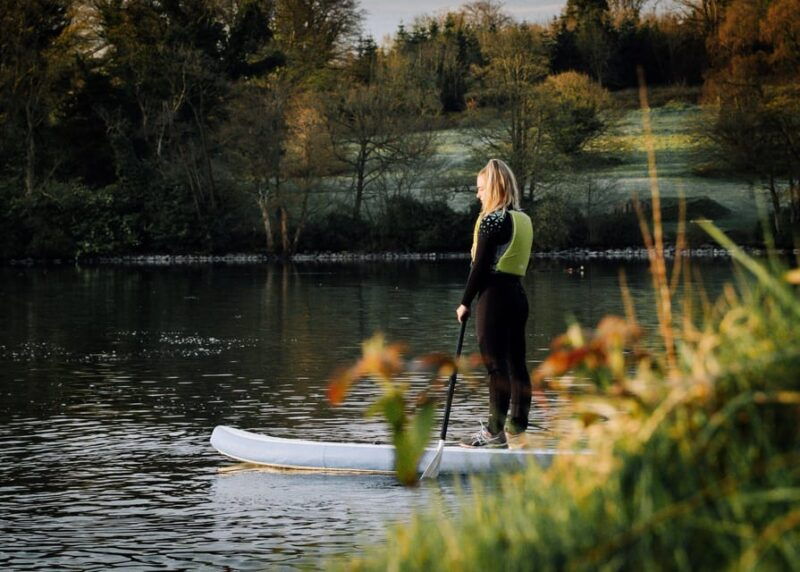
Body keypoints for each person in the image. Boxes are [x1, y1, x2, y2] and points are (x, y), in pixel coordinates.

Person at [457, 158, 533, 450]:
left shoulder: (492, 219)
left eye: (480, 189)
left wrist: (464, 303)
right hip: (517, 296)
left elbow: (480, 267)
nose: (477, 195)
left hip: (494, 297)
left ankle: (493, 433)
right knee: (517, 364)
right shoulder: (521, 218)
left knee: (495, 366)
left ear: (492, 188)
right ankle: (517, 427)